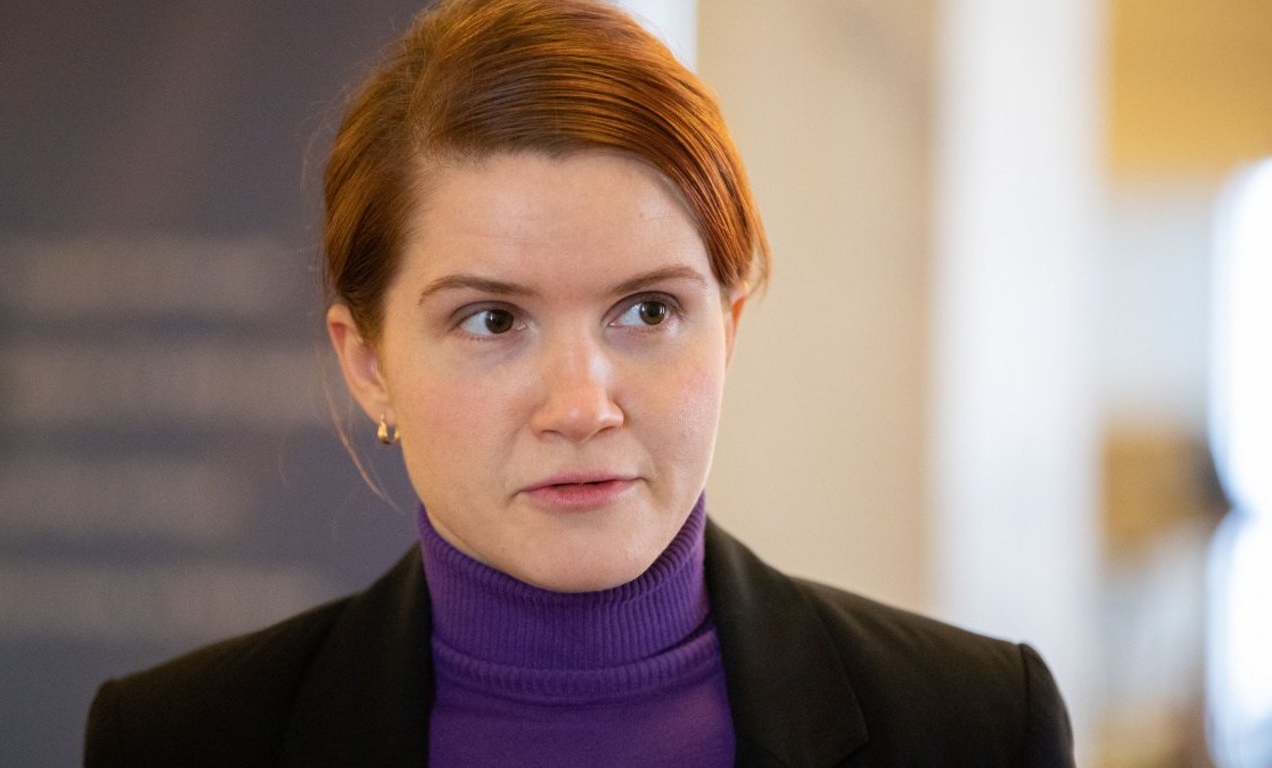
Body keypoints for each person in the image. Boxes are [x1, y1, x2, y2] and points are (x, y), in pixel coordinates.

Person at [84, 0, 1075, 765]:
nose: (582, 407)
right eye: (493, 320)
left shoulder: (974, 723)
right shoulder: (183, 739)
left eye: (647, 311)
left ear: (727, 330)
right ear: (369, 363)